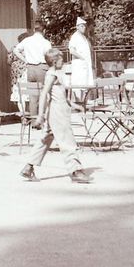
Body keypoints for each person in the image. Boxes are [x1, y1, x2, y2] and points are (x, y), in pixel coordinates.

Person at [19, 48, 93, 183]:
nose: (63, 62)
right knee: (67, 139)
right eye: (61, 60)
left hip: (58, 109)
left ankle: (28, 167)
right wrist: (40, 115)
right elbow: (43, 95)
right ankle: (75, 170)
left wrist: (75, 106)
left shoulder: (58, 73)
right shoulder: (52, 74)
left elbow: (61, 95)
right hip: (57, 112)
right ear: (54, 62)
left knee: (45, 139)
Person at [13, 21, 52, 115]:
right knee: (44, 95)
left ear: (34, 30)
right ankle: (42, 120)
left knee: (32, 97)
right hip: (42, 68)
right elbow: (49, 56)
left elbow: (16, 50)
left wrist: (25, 60)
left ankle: (34, 121)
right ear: (44, 30)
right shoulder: (45, 42)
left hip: (30, 69)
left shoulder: (27, 40)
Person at [67, 16, 94, 100]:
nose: (84, 28)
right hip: (79, 64)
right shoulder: (75, 37)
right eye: (82, 26)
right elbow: (72, 50)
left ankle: (83, 103)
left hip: (85, 65)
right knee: (78, 84)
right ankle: (78, 102)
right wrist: (82, 58)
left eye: (84, 26)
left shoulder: (83, 37)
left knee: (85, 83)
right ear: (77, 27)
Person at [8, 31, 29, 103]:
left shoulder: (13, 48)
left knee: (17, 90)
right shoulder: (28, 49)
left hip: (15, 72)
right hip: (25, 71)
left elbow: (8, 61)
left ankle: (21, 110)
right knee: (26, 91)